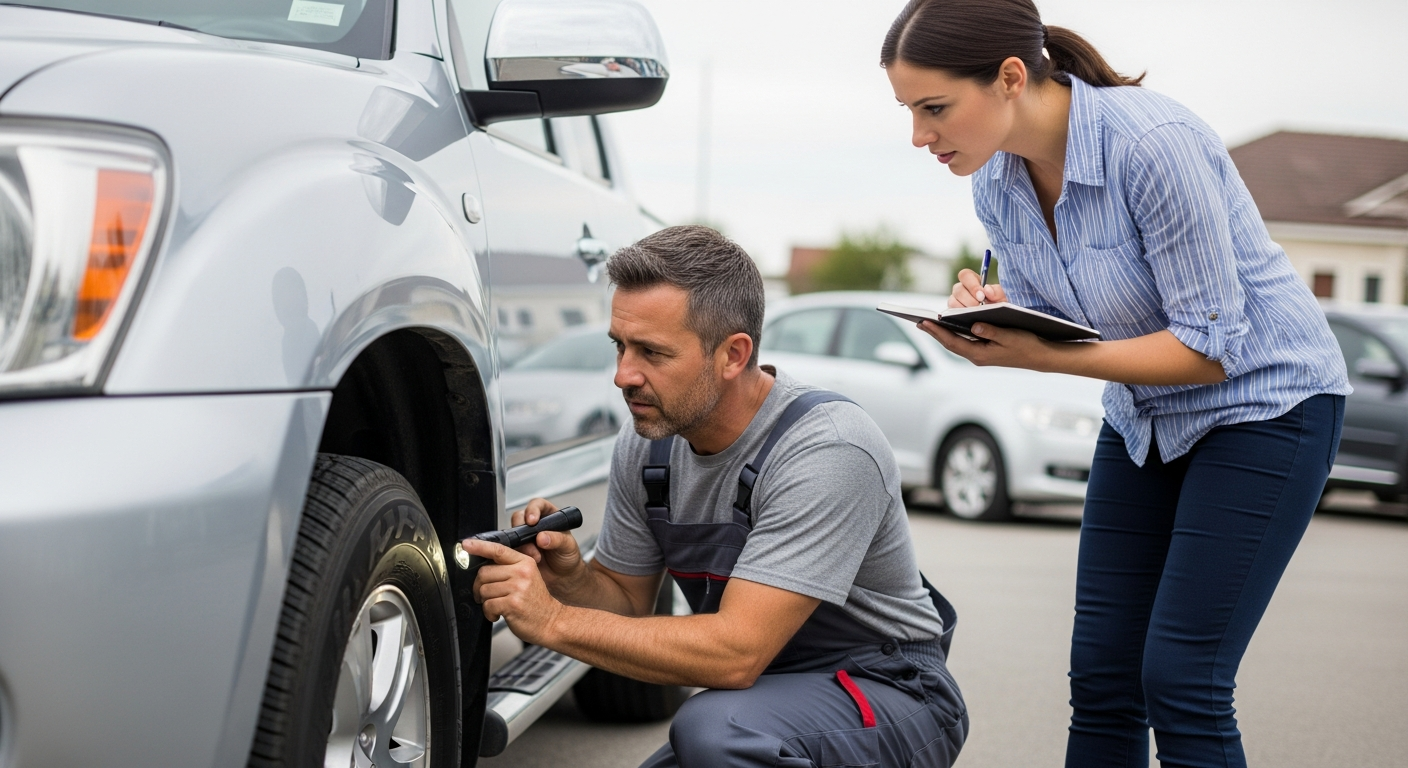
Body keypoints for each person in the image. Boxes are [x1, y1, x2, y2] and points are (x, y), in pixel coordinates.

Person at [880, 1, 1350, 767]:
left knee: (1182, 678)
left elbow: (1209, 347)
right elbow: (1066, 321)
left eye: (934, 108)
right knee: (1102, 679)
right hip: (1146, 418)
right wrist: (999, 318)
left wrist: (1033, 357)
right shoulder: (997, 183)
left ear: (1008, 78)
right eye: (907, 111)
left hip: (1269, 405)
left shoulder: (1152, 144)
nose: (919, 135)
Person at [463, 225, 967, 767]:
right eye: (620, 345)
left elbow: (736, 654)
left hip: (886, 691)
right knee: (718, 732)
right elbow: (628, 605)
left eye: (652, 352)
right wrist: (568, 581)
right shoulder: (646, 444)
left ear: (732, 354)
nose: (622, 375)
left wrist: (553, 622)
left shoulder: (826, 449)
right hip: (765, 700)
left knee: (716, 732)